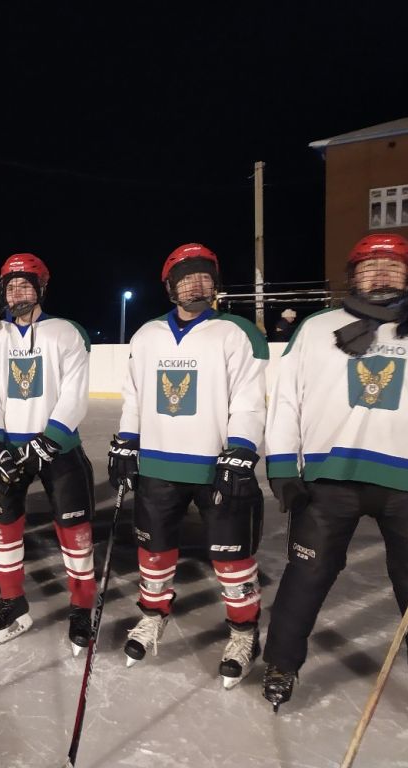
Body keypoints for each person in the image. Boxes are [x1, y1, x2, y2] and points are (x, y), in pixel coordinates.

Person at [262, 233, 408, 737]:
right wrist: (282, 465)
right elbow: (287, 400)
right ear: (352, 276)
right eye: (370, 266)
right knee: (305, 578)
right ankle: (281, 664)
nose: (381, 273)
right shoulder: (317, 328)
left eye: (393, 266)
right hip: (331, 480)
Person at [109, 243, 268, 688]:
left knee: (232, 559)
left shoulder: (236, 332)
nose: (196, 284)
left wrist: (242, 449)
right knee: (154, 552)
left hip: (217, 465)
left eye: (204, 276)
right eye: (186, 277)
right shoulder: (147, 335)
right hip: (158, 465)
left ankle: (244, 633)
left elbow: (249, 400)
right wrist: (126, 442)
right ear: (170, 286)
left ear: (215, 284)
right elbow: (134, 396)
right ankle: (152, 615)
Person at [0, 253, 97, 654]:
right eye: (10, 287)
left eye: (25, 285)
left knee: (74, 531)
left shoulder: (65, 332)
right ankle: (12, 600)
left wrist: (48, 441)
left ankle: (82, 606)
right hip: (8, 450)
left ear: (41, 288)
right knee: (4, 529)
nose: (17, 293)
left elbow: (75, 395)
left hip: (59, 449)